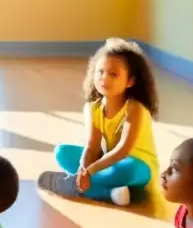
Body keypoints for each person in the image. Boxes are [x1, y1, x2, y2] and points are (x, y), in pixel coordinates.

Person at [38, 38, 161, 206]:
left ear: (130, 81)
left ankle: (77, 185)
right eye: (100, 72)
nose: (104, 78)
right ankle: (110, 192)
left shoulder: (135, 109)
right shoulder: (92, 108)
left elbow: (123, 151)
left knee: (129, 168)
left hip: (137, 167)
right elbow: (92, 147)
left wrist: (90, 172)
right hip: (108, 163)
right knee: (62, 152)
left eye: (113, 74)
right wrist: (83, 169)